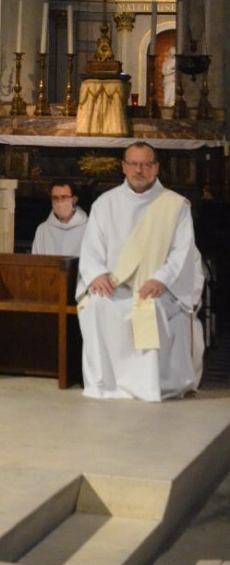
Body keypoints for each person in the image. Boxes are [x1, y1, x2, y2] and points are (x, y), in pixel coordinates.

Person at [76, 141, 204, 401]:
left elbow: (183, 252)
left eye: (146, 164)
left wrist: (161, 279)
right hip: (116, 285)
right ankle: (105, 384)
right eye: (133, 164)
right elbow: (91, 247)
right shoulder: (105, 203)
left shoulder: (175, 205)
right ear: (124, 167)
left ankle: (148, 386)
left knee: (149, 308)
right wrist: (97, 273)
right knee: (97, 306)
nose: (139, 170)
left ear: (156, 168)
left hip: (156, 289)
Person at [32, 182, 88, 256]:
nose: (59, 202)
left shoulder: (89, 229)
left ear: (74, 200)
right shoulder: (43, 230)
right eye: (55, 198)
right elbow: (36, 262)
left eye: (64, 197)